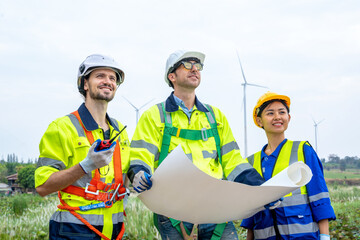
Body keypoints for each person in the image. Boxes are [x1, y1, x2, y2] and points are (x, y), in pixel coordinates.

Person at [127, 50, 271, 240]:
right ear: (172, 76)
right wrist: (138, 173)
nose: (195, 69)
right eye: (187, 64)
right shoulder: (154, 116)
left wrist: (261, 187)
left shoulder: (215, 116)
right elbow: (141, 154)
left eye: (198, 65)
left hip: (216, 209)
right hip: (173, 212)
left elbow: (233, 160)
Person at [35, 54, 130, 240]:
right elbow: (43, 186)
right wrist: (85, 166)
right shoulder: (63, 127)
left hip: (115, 229)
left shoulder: (120, 131)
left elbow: (124, 178)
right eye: (100, 76)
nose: (108, 81)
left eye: (112, 78)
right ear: (85, 84)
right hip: (74, 229)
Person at [241, 92, 336, 240]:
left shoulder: (303, 150)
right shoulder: (251, 162)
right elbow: (251, 213)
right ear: (259, 121)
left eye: (282, 112)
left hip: (303, 236)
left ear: (288, 118)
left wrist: (325, 236)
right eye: (270, 113)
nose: (277, 117)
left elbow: (319, 196)